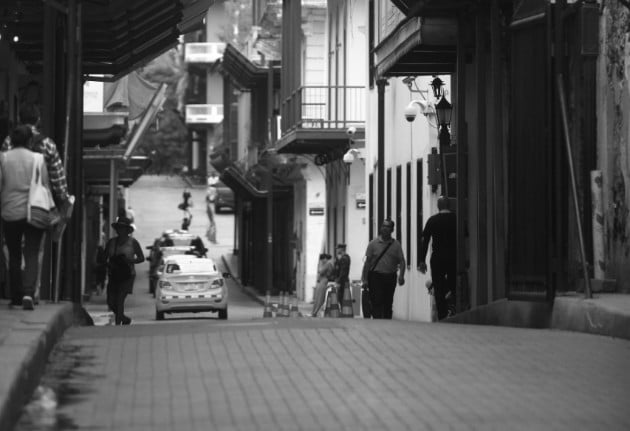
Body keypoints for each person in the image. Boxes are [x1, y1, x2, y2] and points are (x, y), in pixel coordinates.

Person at [0, 125, 49, 309]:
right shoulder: (38, 159)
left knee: (14, 254)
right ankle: (29, 293)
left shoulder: (3, 158)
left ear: (11, 141)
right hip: (34, 211)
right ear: (30, 141)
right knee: (32, 252)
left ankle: (16, 296)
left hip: (10, 212)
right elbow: (44, 184)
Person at [419, 196, 457, 320]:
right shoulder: (456, 218)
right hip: (453, 257)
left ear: (438, 206)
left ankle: (442, 315)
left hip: (437, 258)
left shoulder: (432, 221)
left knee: (438, 286)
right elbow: (466, 235)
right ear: (449, 206)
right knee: (453, 284)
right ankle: (454, 309)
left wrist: (422, 260)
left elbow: (425, 241)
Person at [361, 219, 405, 319]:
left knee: (388, 301)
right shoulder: (373, 244)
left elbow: (402, 261)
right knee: (377, 300)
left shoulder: (396, 245)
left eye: (388, 227)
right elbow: (367, 263)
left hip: (390, 276)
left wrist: (401, 276)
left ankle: (387, 320)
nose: (385, 229)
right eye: (383, 226)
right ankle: (377, 321)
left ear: (392, 230)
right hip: (376, 276)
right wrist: (365, 279)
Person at [105, 216, 145, 325]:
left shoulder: (133, 243)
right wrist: (110, 264)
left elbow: (141, 258)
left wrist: (130, 260)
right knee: (110, 301)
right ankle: (124, 318)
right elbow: (104, 259)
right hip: (113, 275)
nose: (120, 230)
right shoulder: (111, 243)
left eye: (122, 228)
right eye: (119, 228)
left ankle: (118, 324)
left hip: (127, 275)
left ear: (127, 230)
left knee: (119, 299)